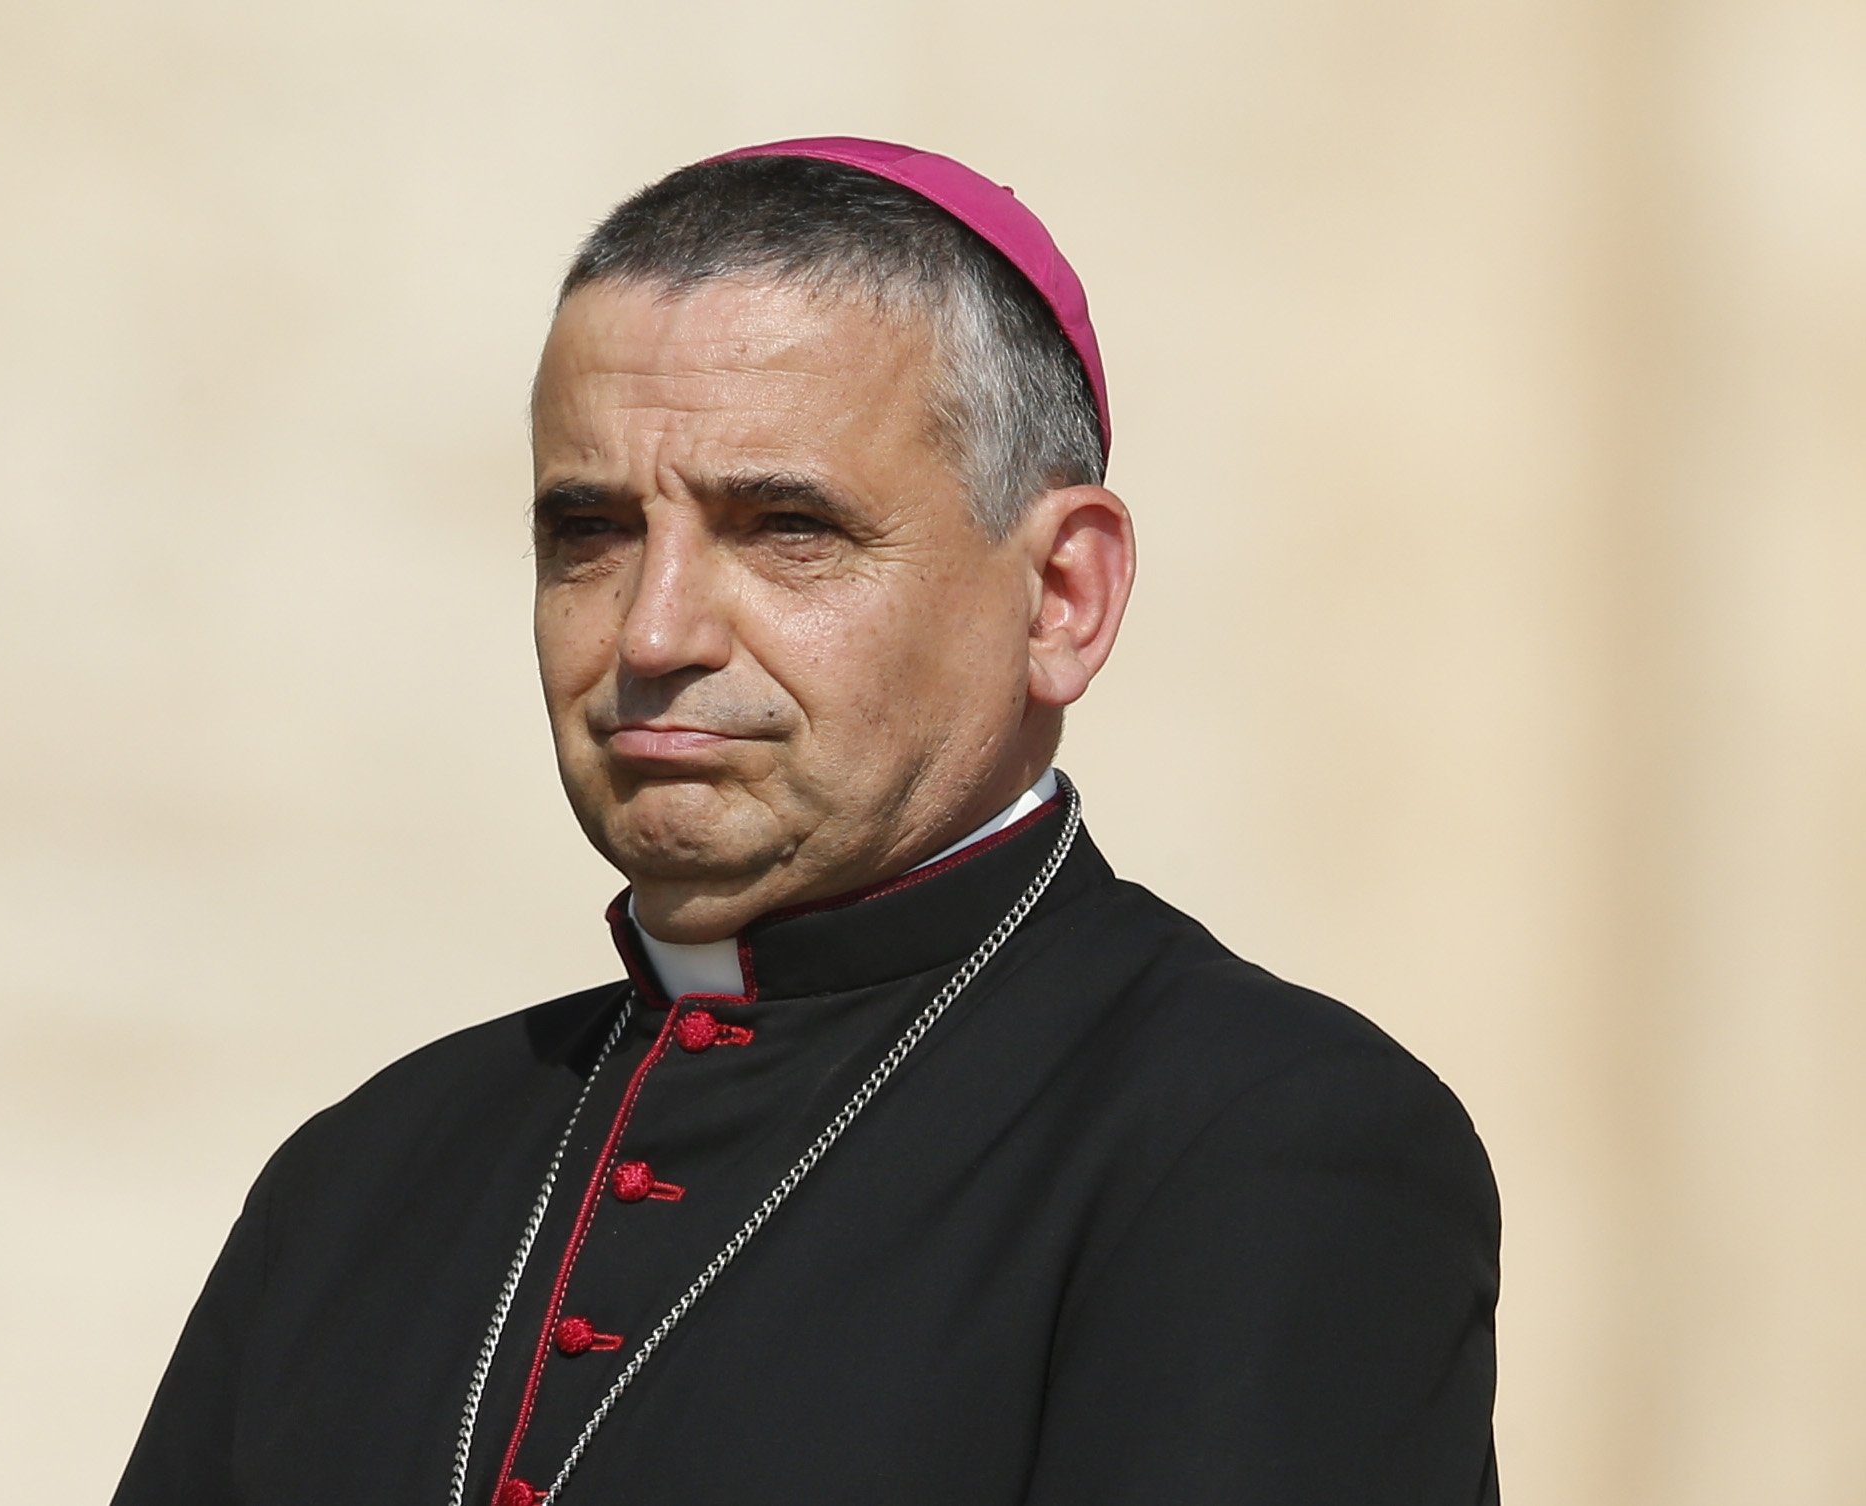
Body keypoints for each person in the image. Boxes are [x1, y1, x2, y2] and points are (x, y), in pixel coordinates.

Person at [112, 136, 1501, 1506]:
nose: (650, 631)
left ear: (1061, 597)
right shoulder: (364, 1176)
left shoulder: (1258, 1142)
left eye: (784, 527)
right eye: (587, 532)